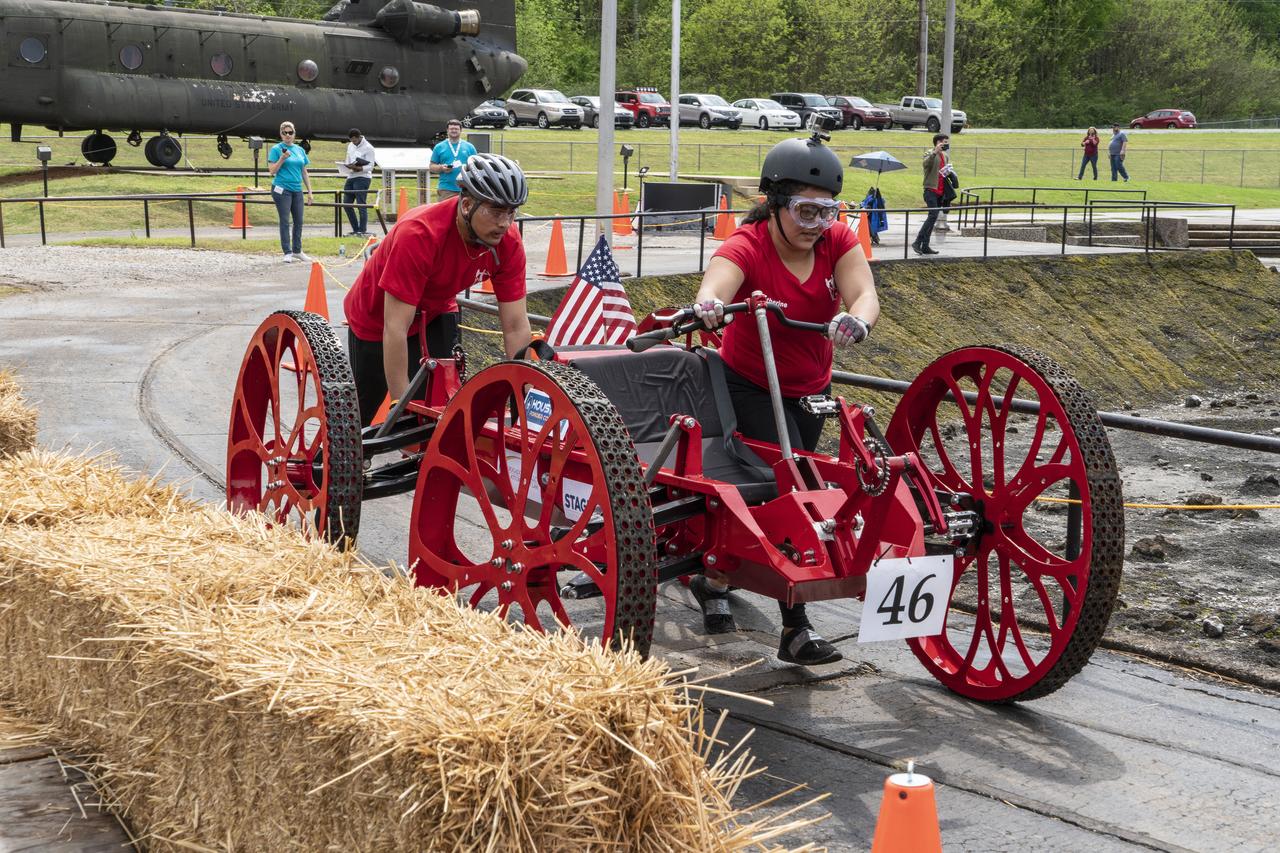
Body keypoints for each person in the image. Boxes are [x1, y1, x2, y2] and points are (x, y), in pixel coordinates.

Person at [689, 133, 880, 667]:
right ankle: (794, 628)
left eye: (827, 212)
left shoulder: (838, 242)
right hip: (745, 385)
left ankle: (712, 579)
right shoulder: (747, 245)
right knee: (789, 491)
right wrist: (709, 305)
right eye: (804, 210)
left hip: (809, 388)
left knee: (793, 484)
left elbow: (864, 293)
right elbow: (717, 284)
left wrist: (855, 320)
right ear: (775, 203)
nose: (816, 223)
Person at [342, 153, 533, 427]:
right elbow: (394, 326)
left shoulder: (508, 242)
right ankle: (330, 462)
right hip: (376, 317)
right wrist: (400, 405)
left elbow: (515, 326)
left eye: (511, 212)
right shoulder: (419, 234)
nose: (504, 222)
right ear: (466, 205)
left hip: (435, 309)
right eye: (496, 211)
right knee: (362, 416)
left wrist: (525, 393)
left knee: (438, 406)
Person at [267, 120, 313, 263]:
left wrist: (310, 192)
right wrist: (282, 158)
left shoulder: (299, 150)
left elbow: (304, 172)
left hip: (297, 189)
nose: (288, 135)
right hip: (281, 189)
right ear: (281, 134)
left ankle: (297, 250)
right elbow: (272, 171)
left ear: (294, 134)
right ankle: (287, 252)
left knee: (299, 221)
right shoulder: (276, 149)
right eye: (285, 133)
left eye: (290, 132)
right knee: (285, 220)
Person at [912, 133, 948, 255]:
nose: (946, 144)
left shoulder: (945, 156)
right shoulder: (929, 153)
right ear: (938, 142)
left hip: (940, 191)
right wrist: (934, 152)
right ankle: (917, 242)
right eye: (944, 142)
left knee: (932, 218)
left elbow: (943, 172)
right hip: (930, 190)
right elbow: (925, 164)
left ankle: (925, 246)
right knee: (932, 215)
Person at [429, 119, 478, 201]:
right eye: (451, 129)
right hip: (446, 189)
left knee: (465, 213)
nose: (454, 131)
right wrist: (441, 168)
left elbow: (476, 166)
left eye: (456, 129)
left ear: (461, 130)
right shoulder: (439, 147)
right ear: (447, 130)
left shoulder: (470, 147)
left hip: (466, 188)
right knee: (446, 213)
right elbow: (431, 166)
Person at [341, 128, 376, 237]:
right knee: (346, 204)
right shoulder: (350, 145)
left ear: (359, 137)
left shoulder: (369, 148)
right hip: (351, 176)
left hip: (363, 177)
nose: (353, 142)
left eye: (355, 140)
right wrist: (347, 166)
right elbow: (348, 159)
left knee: (361, 203)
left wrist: (359, 168)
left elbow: (371, 166)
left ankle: (362, 230)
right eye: (351, 141)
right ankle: (355, 229)